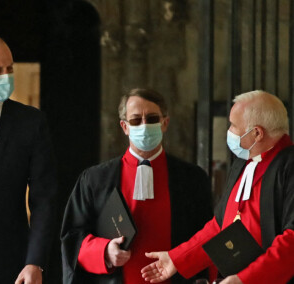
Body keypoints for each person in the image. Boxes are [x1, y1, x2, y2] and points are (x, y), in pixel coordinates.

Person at [61, 88, 213, 284]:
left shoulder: (192, 179)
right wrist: (104, 252)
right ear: (124, 127)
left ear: (165, 123)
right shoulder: (94, 180)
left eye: (152, 119)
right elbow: (72, 237)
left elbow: (208, 235)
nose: (144, 125)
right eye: (135, 120)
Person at [141, 90, 294, 284]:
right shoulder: (243, 162)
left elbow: (292, 241)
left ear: (257, 133)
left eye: (233, 125)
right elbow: (220, 225)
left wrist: (244, 280)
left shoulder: (289, 167)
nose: (228, 131)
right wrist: (177, 259)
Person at [0, 35, 57, 283]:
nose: (5, 77)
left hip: (10, 263)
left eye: (9, 69)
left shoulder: (30, 123)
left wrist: (35, 262)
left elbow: (44, 198)